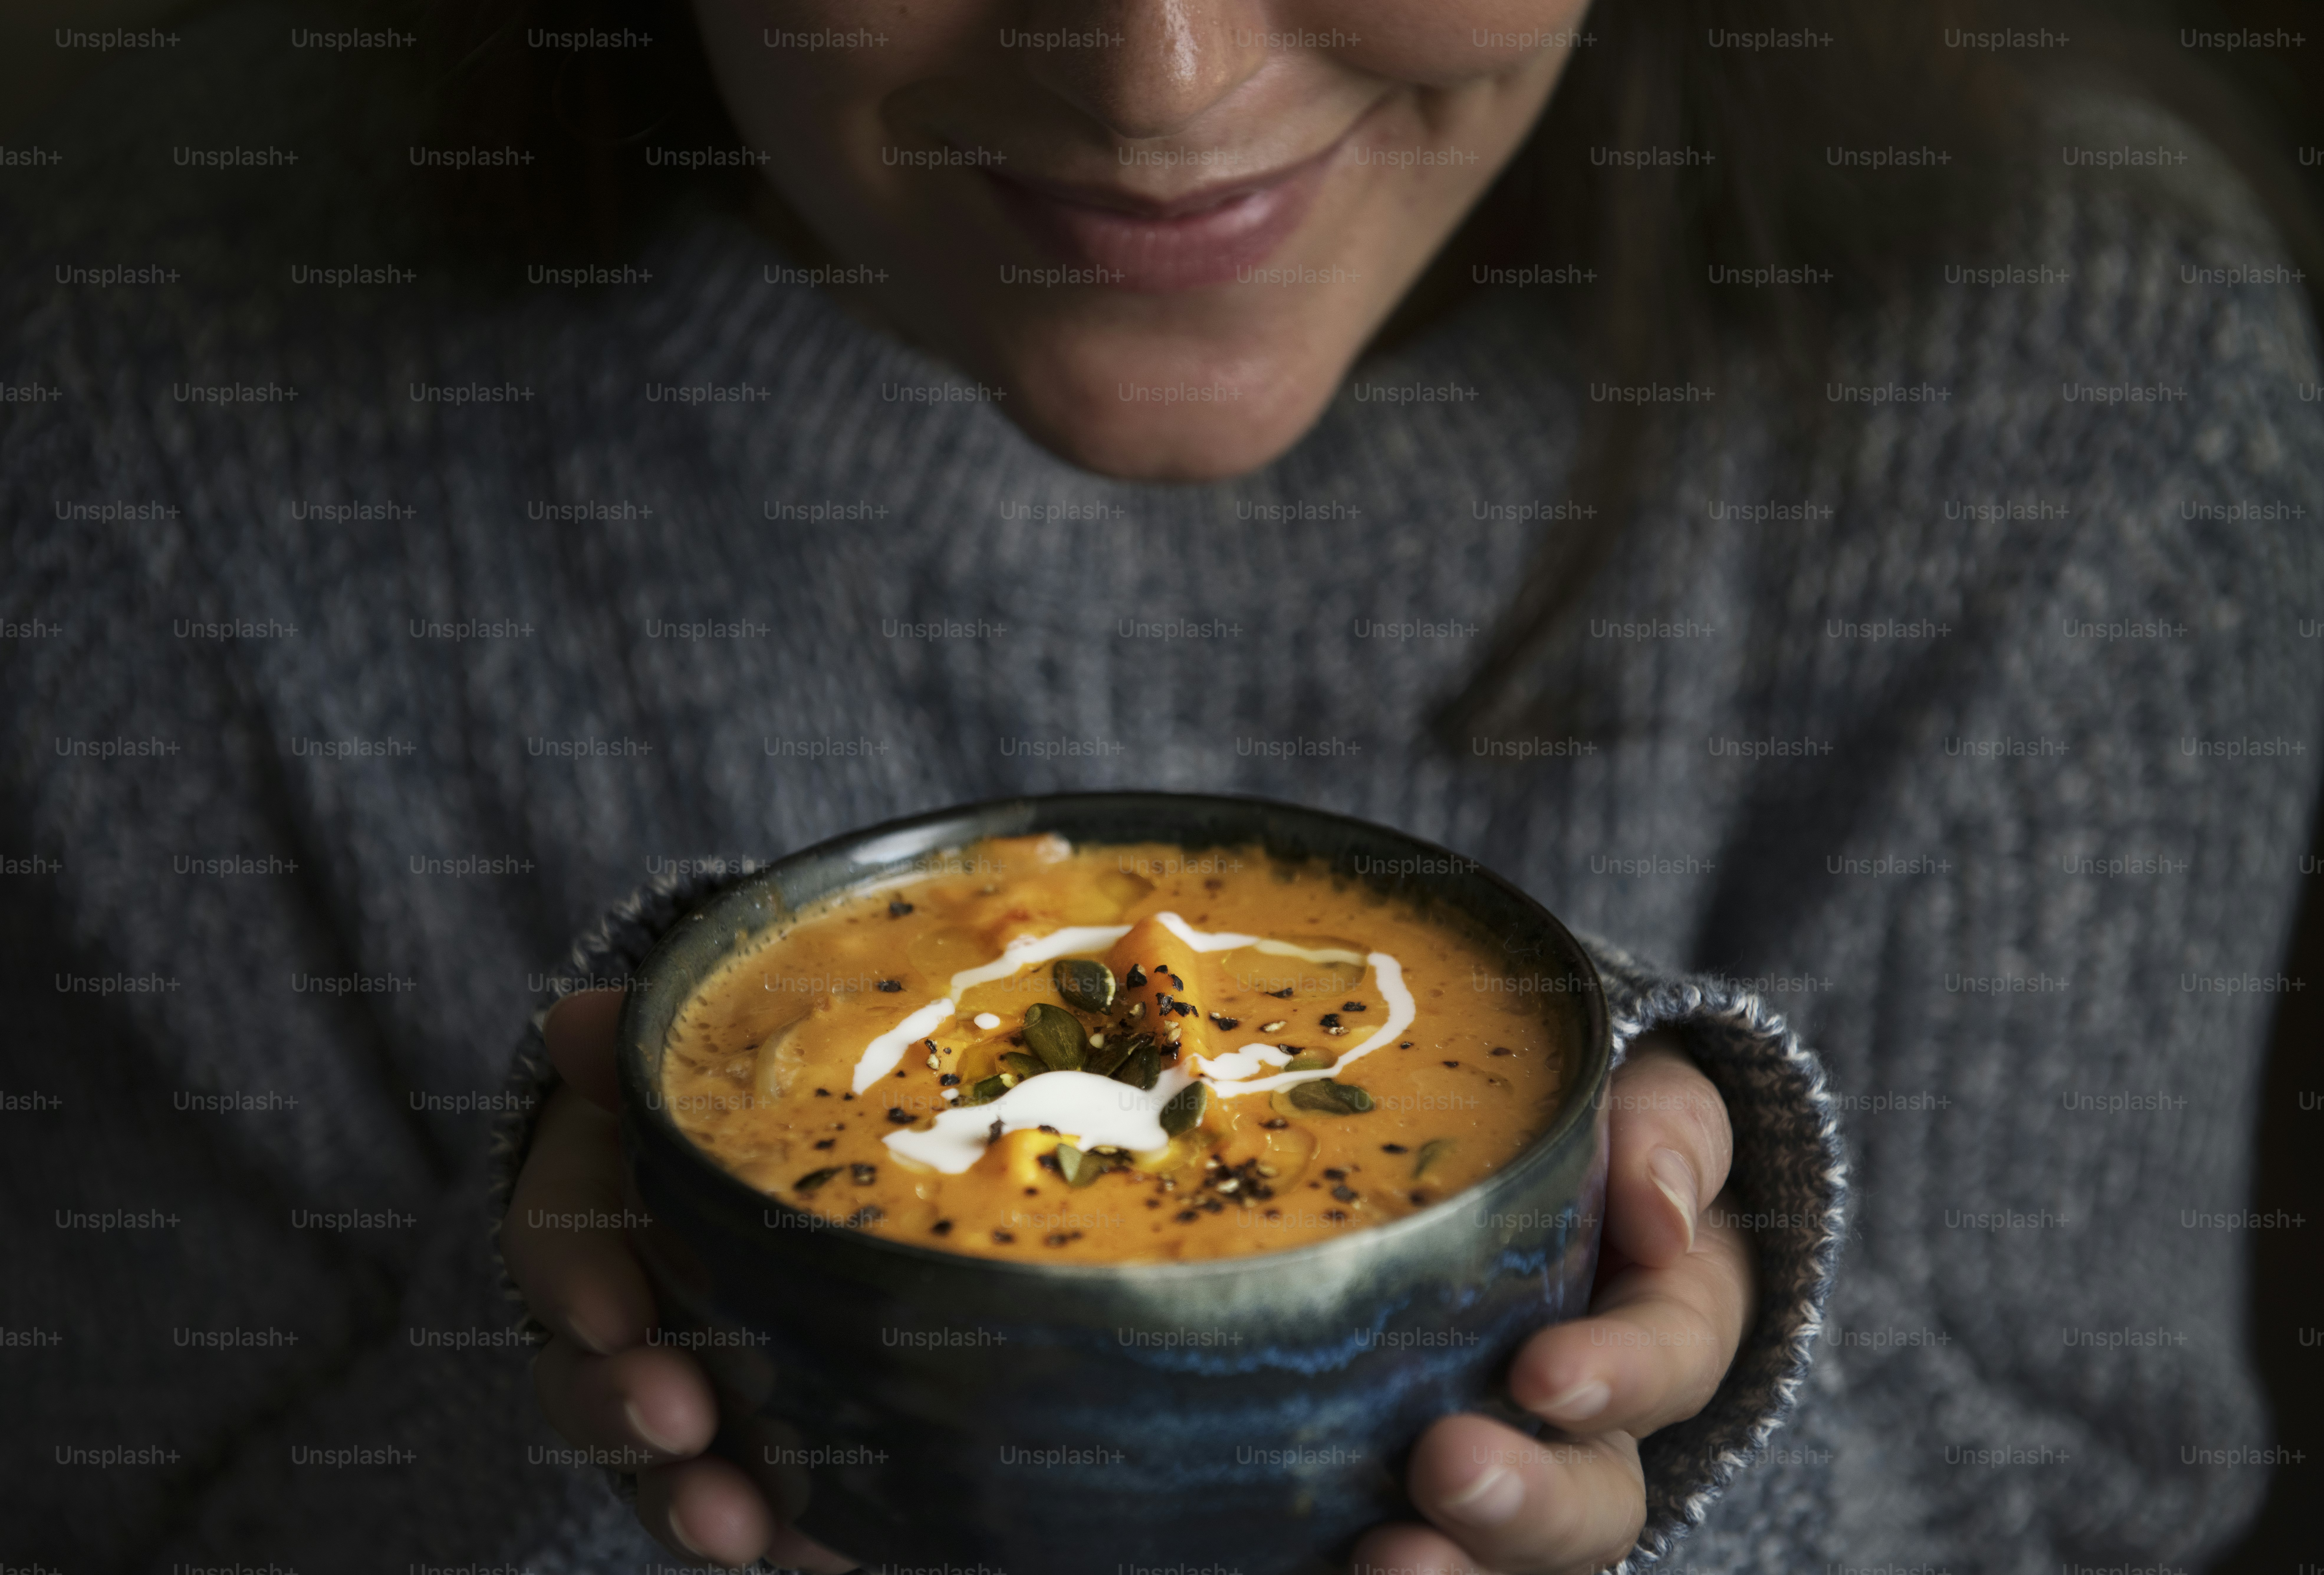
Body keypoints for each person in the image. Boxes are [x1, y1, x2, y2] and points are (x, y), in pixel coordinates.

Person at [1, 0, 2317, 1571]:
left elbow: (2078, 1504)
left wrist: (1685, 1437)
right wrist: (623, 1370)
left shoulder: (2070, 377)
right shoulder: (130, 407)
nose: (1161, 75)